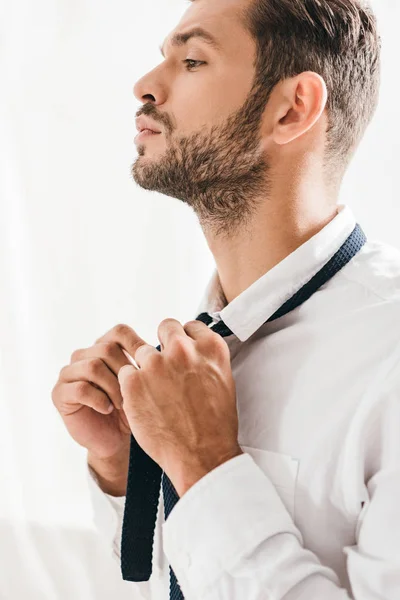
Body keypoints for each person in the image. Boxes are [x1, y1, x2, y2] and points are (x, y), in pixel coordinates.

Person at [52, 0, 400, 598]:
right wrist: (127, 471)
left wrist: (205, 464)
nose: (144, 85)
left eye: (191, 60)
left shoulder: (389, 355)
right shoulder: (207, 341)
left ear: (293, 109)